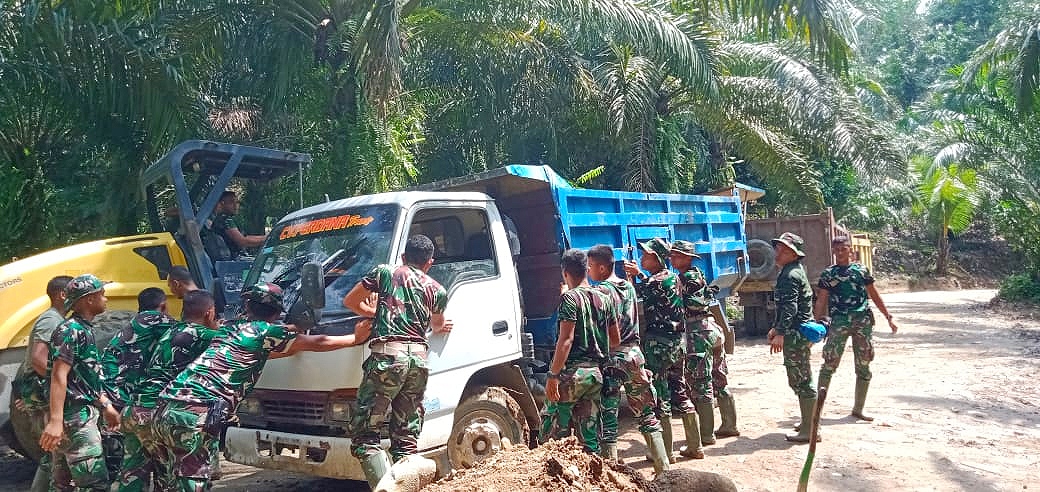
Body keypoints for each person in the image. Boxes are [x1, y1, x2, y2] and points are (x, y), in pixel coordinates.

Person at [154, 283, 369, 491]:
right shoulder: (266, 332)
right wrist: (355, 338)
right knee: (193, 479)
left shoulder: (233, 329)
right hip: (195, 411)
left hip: (165, 406)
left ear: (247, 307)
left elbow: (276, 349)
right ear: (276, 313)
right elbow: (317, 342)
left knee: (170, 479)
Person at [341, 234, 451, 489]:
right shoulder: (438, 289)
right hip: (419, 362)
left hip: (388, 357)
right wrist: (441, 326)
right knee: (406, 439)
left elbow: (350, 301)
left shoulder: (384, 273)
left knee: (364, 437)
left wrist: (375, 312)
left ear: (403, 257)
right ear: (429, 263)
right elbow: (437, 324)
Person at [126, 290, 228, 491]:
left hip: (135, 409)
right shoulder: (203, 334)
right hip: (158, 412)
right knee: (181, 475)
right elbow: (242, 346)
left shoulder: (171, 330)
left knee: (134, 474)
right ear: (209, 313)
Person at [586, 245, 669, 473]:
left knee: (608, 418)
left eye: (590, 266)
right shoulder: (629, 287)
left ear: (602, 268)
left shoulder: (601, 291)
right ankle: (664, 469)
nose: (588, 271)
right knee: (647, 414)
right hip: (635, 355)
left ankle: (611, 474)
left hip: (613, 358)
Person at [39, 274, 121, 491]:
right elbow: (59, 375)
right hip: (75, 420)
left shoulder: (82, 329)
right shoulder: (71, 331)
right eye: (102, 295)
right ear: (89, 300)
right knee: (94, 484)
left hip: (77, 417)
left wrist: (106, 406)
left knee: (62, 485)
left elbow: (85, 377)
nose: (106, 299)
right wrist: (56, 421)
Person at [623, 238, 702, 461]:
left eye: (646, 256)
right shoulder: (673, 277)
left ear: (657, 258)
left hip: (660, 346)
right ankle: (695, 446)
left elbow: (638, 293)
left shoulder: (657, 281)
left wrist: (636, 275)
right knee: (681, 391)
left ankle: (666, 452)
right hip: (677, 344)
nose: (641, 258)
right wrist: (638, 275)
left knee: (661, 397)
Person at [539, 248, 619, 455]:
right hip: (595, 376)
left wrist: (553, 375)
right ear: (586, 269)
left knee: (553, 437)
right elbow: (615, 339)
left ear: (565, 273)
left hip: (571, 375)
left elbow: (566, 339)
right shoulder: (604, 297)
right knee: (589, 439)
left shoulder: (570, 299)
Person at [98, 287, 176, 492]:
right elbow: (191, 332)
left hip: (122, 404)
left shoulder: (131, 326)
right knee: (166, 465)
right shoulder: (157, 321)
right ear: (163, 305)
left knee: (134, 465)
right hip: (145, 405)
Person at [815, 236, 899, 422]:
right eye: (836, 250)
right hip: (839, 322)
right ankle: (815, 411)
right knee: (829, 364)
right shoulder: (828, 274)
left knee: (864, 364)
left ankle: (858, 409)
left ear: (850, 250)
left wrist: (888, 316)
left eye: (843, 249)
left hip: (862, 322)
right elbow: (821, 299)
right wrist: (814, 324)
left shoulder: (861, 270)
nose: (840, 253)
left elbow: (874, 294)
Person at [11, 275, 72, 492]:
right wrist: (64, 380)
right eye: (73, 290)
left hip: (38, 393)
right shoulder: (51, 320)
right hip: (39, 393)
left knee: (53, 453)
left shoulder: (57, 319)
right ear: (62, 295)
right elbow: (38, 360)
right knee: (54, 451)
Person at [669, 240, 726, 446]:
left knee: (700, 384)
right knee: (719, 378)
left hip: (697, 332)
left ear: (687, 258)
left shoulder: (685, 279)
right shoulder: (698, 274)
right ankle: (729, 424)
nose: (671, 259)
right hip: (710, 327)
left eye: (675, 255)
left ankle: (706, 434)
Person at [767, 232, 818, 443]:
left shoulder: (790, 275)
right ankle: (808, 422)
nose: (777, 253)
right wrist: (775, 327)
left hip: (795, 333)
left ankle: (810, 430)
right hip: (798, 331)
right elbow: (786, 307)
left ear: (791, 253)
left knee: (801, 380)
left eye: (781, 249)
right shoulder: (792, 272)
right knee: (800, 377)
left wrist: (780, 332)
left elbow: (790, 308)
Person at [208, 190, 266, 259]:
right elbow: (242, 242)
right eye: (231, 202)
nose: (236, 206)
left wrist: (267, 237)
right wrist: (269, 239)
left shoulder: (219, 220)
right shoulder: (225, 220)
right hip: (233, 259)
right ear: (222, 203)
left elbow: (245, 237)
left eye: (237, 202)